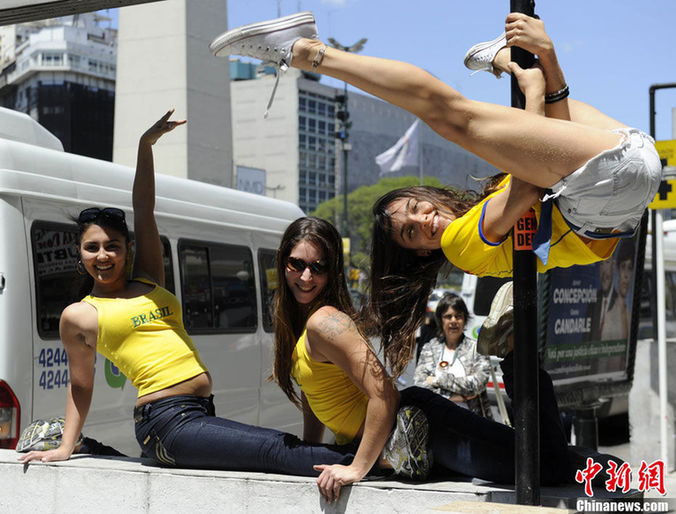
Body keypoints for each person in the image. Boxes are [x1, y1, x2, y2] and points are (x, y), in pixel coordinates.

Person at [210, 11, 661, 376]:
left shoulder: (487, 198)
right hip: (606, 197)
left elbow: (553, 140)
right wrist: (534, 83)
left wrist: (549, 59)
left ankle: (507, 60)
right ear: (424, 253)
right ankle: (307, 50)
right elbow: (529, 183)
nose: (424, 220)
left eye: (416, 208)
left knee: (486, 116)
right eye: (412, 233)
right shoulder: (460, 246)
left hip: (625, 161)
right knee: (451, 118)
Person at [16, 110, 377, 485]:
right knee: (275, 449)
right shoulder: (80, 315)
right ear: (80, 254)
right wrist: (65, 446)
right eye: (92, 248)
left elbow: (144, 209)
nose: (103, 256)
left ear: (127, 249)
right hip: (164, 421)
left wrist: (145, 145)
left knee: (276, 448)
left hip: (196, 410)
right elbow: (81, 385)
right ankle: (381, 458)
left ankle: (377, 455)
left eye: (113, 246)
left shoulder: (149, 280)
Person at [272, 216, 571, 503]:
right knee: (554, 460)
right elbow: (313, 393)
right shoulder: (299, 328)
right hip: (408, 445)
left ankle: (513, 348)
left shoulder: (323, 322)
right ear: (283, 262)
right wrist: (309, 453)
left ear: (332, 270)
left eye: (318, 266)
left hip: (425, 428)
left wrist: (356, 468)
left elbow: (384, 394)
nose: (306, 276)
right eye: (297, 264)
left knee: (547, 466)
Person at [414, 293, 493, 419]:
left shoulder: (476, 349)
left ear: (465, 319)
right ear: (441, 320)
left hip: (471, 424)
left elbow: (478, 384)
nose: (453, 321)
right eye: (448, 316)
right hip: (436, 421)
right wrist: (454, 397)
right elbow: (421, 385)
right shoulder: (430, 348)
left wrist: (437, 380)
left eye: (458, 316)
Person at [600, 239, 635, 341]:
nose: (626, 276)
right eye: (623, 266)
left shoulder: (629, 314)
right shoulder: (609, 315)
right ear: (617, 269)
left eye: (630, 268)